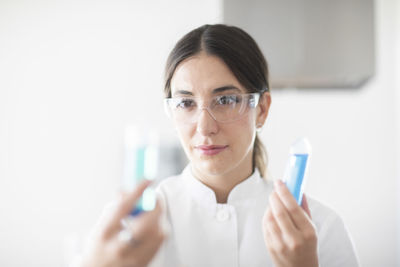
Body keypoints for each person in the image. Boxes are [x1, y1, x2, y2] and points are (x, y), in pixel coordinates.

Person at [78, 24, 359, 267]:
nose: (204, 127)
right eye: (186, 103)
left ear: (261, 109)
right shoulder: (130, 229)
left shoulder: (320, 229)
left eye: (225, 100)